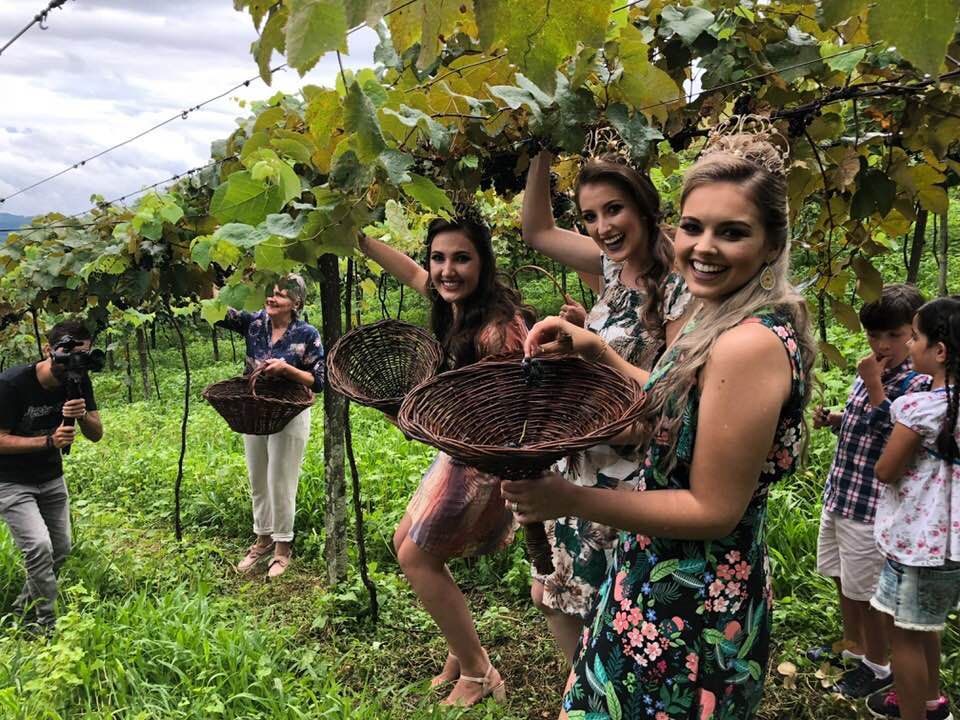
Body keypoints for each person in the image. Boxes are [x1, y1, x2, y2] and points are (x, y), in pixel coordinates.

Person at [504, 118, 816, 718]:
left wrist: (570, 500)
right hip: (665, 576)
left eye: (733, 232)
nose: (703, 247)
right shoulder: (725, 319)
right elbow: (682, 404)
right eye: (695, 227)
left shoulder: (746, 344)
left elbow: (711, 508)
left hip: (688, 600)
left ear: (772, 244)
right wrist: (598, 351)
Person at [358, 213, 535, 707]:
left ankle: (480, 672)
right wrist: (356, 237)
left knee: (417, 555)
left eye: (461, 258)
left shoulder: (499, 329)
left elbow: (508, 410)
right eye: (439, 258)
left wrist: (419, 418)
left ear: (484, 262)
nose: (445, 270)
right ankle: (462, 650)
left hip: (484, 456)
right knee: (406, 541)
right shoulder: (455, 305)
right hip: (457, 449)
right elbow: (411, 274)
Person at [522, 147, 691, 662]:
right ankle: (578, 699)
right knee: (556, 594)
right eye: (590, 215)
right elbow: (537, 231)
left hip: (628, 473)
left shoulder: (681, 286)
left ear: (643, 207)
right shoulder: (613, 271)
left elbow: (674, 394)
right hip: (583, 456)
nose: (602, 226)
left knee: (604, 609)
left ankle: (594, 697)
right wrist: (541, 148)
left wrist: (596, 346)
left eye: (613, 209)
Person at [809, 284, 928, 699]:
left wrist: (874, 383)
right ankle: (855, 646)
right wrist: (836, 418)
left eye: (894, 336)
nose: (882, 345)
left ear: (917, 333)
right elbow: (865, 423)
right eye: (874, 335)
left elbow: (894, 435)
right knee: (845, 582)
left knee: (871, 595)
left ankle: (878, 667)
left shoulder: (919, 384)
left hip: (872, 510)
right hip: (843, 494)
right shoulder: (871, 374)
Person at [865, 296, 960, 720]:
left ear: (939, 352)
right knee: (928, 625)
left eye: (916, 336)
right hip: (950, 547)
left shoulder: (920, 408)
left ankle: (911, 712)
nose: (913, 343)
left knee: (904, 635)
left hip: (918, 545)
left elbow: (886, 470)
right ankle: (929, 700)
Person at [0, 320, 103, 633]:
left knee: (60, 550)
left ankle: (20, 612)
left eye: (83, 355)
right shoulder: (12, 384)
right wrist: (48, 441)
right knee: (39, 548)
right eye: (67, 352)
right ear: (47, 350)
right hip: (11, 480)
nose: (74, 361)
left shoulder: (79, 379)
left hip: (50, 477)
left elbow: (97, 434)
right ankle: (45, 627)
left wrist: (81, 413)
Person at [219, 274, 324, 579]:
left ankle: (282, 547)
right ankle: (262, 539)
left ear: (296, 303)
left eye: (281, 295)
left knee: (281, 479)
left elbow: (318, 381)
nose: (272, 298)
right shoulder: (254, 323)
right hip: (255, 410)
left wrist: (288, 369)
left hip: (289, 413)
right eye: (271, 292)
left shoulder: (307, 334)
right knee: (258, 477)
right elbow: (218, 309)